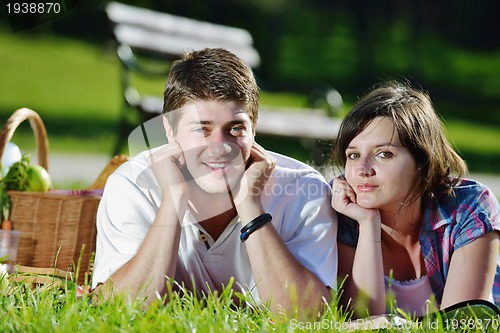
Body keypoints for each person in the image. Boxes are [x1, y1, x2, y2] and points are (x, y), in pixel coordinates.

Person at [92, 48, 337, 314]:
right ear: (170, 130)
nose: (220, 147)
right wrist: (172, 201)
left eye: (235, 128)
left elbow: (308, 315)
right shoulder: (132, 184)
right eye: (201, 129)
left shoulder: (304, 191)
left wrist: (250, 205)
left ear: (254, 129)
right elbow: (120, 310)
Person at [330, 80, 500, 319]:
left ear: (423, 163)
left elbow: (458, 325)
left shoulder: (468, 207)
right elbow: (361, 321)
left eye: (384, 154)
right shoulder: (339, 208)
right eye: (353, 155)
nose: (362, 170)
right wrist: (368, 224)